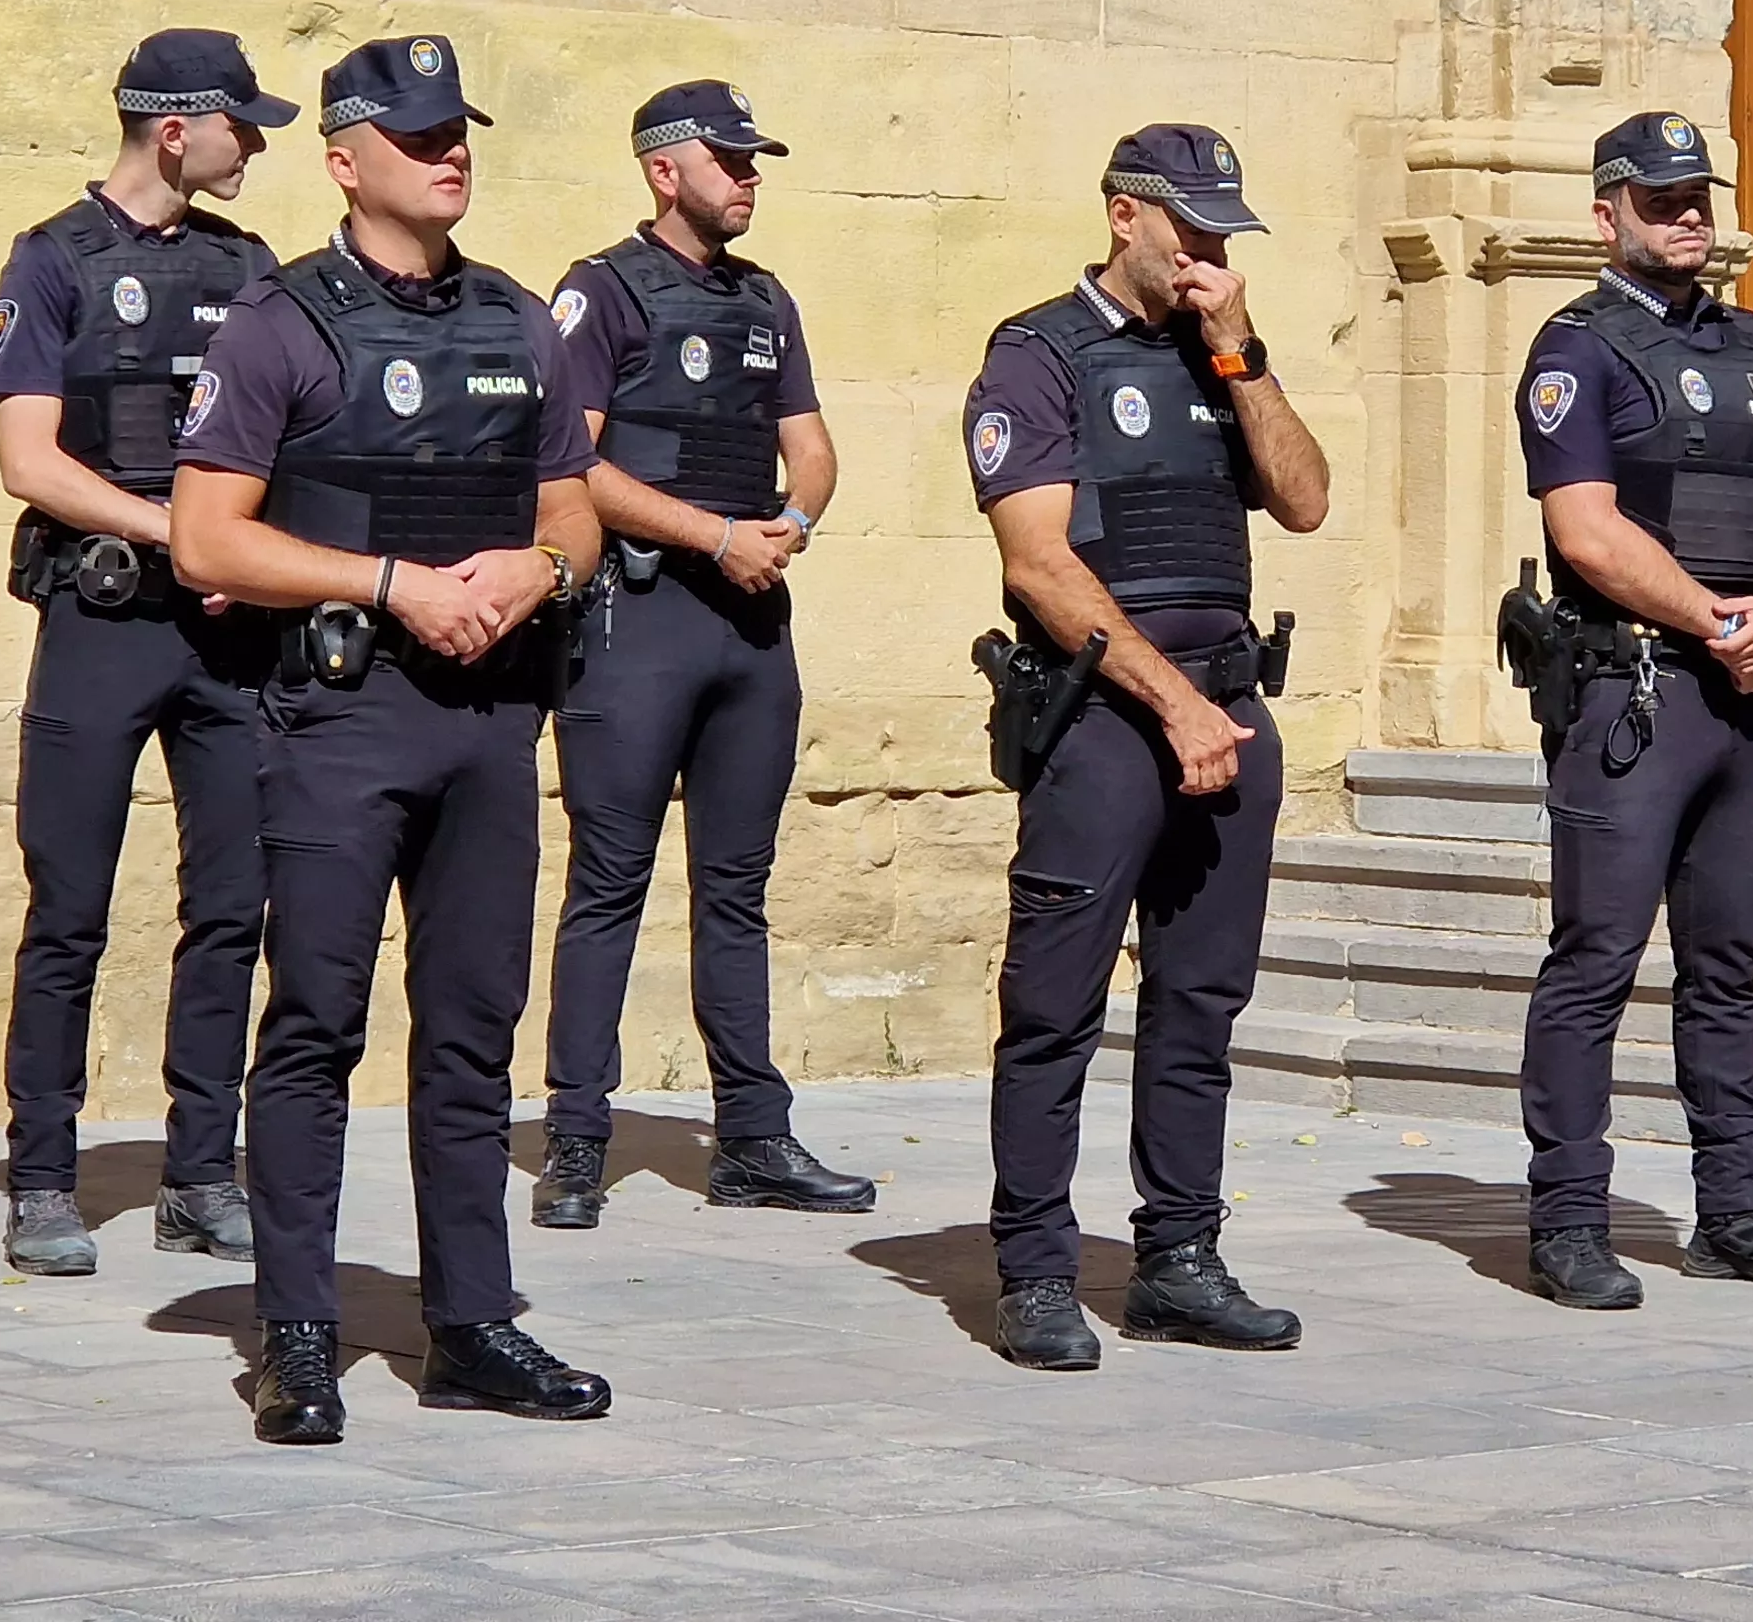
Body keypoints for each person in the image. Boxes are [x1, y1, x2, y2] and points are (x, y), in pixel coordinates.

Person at [169, 34, 614, 1442]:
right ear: (345, 161)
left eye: (460, 134)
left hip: (490, 719)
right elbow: (204, 536)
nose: (452, 155)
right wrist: (391, 583)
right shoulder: (278, 322)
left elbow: (574, 505)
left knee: (475, 1033)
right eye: (422, 140)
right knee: (314, 1022)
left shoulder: (519, 320)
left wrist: (538, 574)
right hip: (343, 715)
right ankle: (297, 1332)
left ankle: (472, 1324)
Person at [961, 124, 1330, 1370]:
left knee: (1201, 1002)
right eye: (1194, 228)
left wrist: (1243, 356)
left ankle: (1178, 1256)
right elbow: (1040, 564)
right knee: (1053, 1005)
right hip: (1106, 719)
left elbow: (1305, 499)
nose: (1211, 251)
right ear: (1127, 216)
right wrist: (1174, 706)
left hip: (1231, 704)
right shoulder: (1038, 354)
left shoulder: (1222, 354)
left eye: (1228, 233)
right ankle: (1032, 1269)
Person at [1499, 111, 1753, 1309]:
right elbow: (1584, 529)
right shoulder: (1577, 350)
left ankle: (1735, 1213)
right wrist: (1717, 619)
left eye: (1698, 195)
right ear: (1607, 215)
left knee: (1728, 964)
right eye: (1661, 201)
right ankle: (1568, 1224)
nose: (1689, 217)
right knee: (1595, 958)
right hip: (1636, 695)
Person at [526, 81, 874, 1230]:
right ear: (663, 170)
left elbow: (810, 444)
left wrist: (791, 526)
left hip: (749, 622)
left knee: (738, 889)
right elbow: (575, 470)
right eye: (728, 158)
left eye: (754, 158)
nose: (749, 176)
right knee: (609, 884)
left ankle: (754, 1139)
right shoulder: (603, 293)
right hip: (641, 621)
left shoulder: (766, 298)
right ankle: (576, 1140)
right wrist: (716, 536)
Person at [0, 30, 291, 1276]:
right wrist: (187, 531)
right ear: (177, 131)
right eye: (239, 125)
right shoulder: (51, 259)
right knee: (71, 910)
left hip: (226, 634)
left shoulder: (251, 267)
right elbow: (30, 460)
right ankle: (43, 1178)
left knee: (230, 904)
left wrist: (248, 552)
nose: (253, 143)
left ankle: (203, 1171)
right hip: (105, 620)